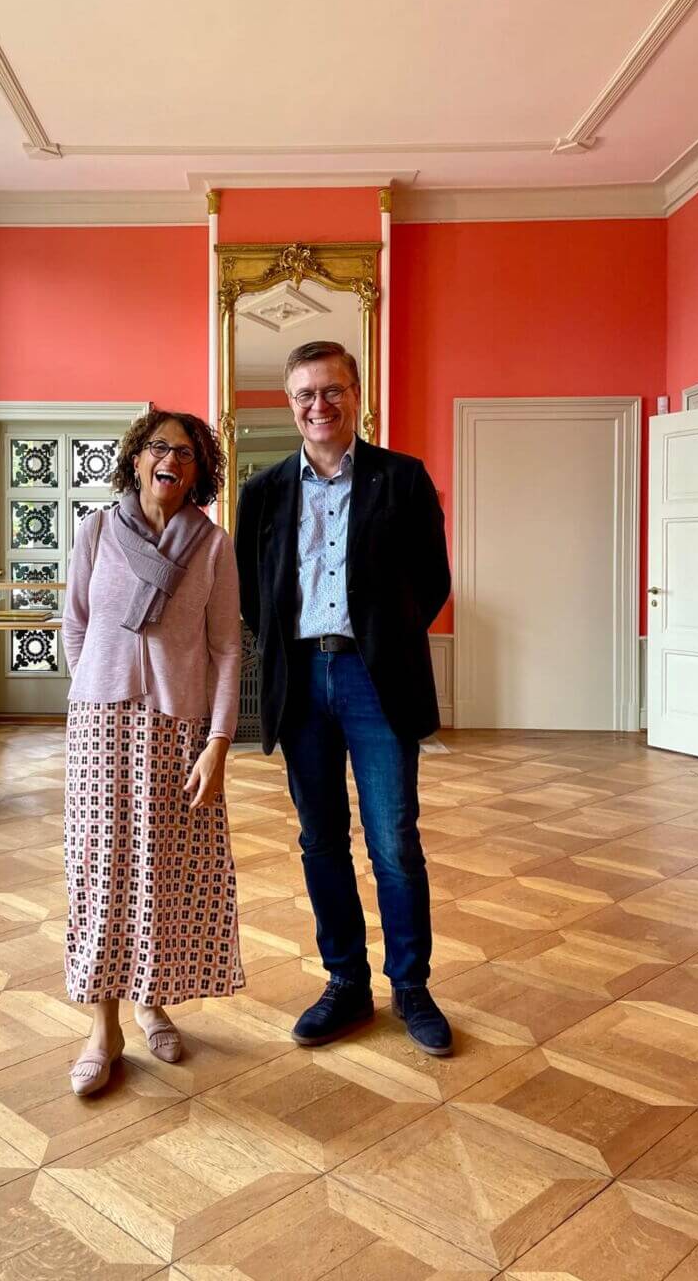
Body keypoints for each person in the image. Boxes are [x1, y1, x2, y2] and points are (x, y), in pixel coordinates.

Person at [236, 342, 453, 1055]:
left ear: (357, 394)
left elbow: (433, 581)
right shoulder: (263, 492)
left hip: (374, 679)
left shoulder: (403, 478)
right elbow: (253, 592)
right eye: (305, 394)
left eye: (332, 390)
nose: (319, 405)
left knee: (394, 840)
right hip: (300, 681)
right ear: (290, 404)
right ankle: (346, 983)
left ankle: (411, 986)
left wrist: (385, 642)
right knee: (320, 839)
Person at [61, 408, 244, 1095]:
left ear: (200, 471)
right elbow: (76, 626)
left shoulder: (213, 545)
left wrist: (217, 744)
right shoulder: (96, 531)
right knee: (102, 874)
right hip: (101, 729)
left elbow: (227, 649)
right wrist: (96, 688)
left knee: (164, 874)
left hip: (178, 731)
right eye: (159, 447)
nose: (171, 459)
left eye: (187, 452)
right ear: (136, 458)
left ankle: (152, 1002)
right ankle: (102, 1027)